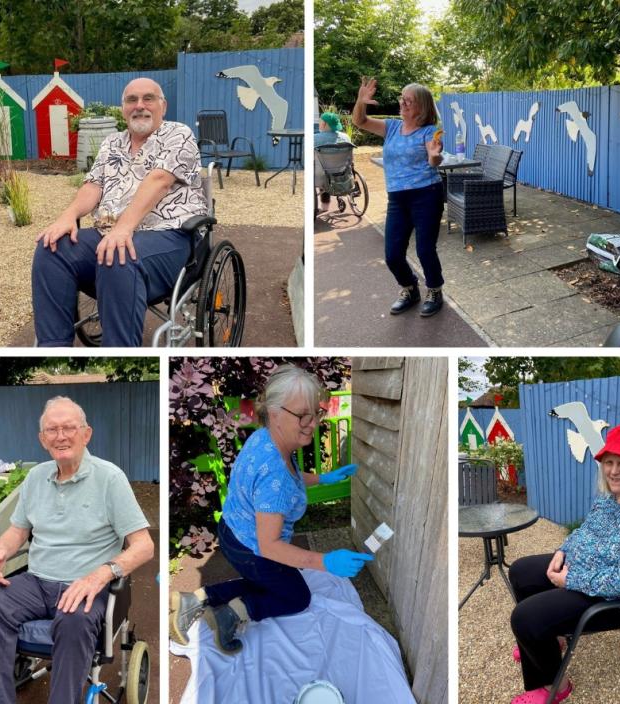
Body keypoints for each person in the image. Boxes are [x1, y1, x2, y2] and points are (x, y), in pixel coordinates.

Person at [170, 364, 372, 654]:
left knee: (275, 582)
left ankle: (198, 598)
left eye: (317, 413)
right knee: (296, 596)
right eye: (303, 415)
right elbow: (269, 547)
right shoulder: (275, 471)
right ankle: (232, 613)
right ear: (275, 412)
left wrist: (322, 478)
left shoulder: (265, 438)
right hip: (251, 547)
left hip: (232, 530)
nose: (313, 422)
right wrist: (325, 561)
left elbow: (286, 480)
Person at [0, 396, 154, 704]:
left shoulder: (110, 478)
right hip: (37, 581)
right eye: (52, 430)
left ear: (86, 434)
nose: (61, 436)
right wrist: (2, 549)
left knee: (74, 620)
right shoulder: (35, 477)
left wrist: (101, 575)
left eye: (69, 427)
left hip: (85, 586)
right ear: (43, 440)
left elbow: (144, 546)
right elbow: (19, 530)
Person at [32, 77, 207, 347]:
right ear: (123, 108)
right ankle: (53, 348)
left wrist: (124, 228)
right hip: (110, 232)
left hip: (171, 235)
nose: (140, 105)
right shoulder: (112, 143)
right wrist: (67, 216)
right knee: (51, 247)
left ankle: (118, 351)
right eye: (131, 100)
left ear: (163, 105)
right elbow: (93, 186)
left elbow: (159, 181)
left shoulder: (178, 134)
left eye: (148, 98)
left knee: (119, 253)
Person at [507, 424, 620, 704]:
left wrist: (569, 580)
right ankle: (549, 641)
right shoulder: (610, 497)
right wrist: (563, 550)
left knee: (525, 618)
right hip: (585, 571)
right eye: (609, 462)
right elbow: (585, 531)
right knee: (521, 571)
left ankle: (554, 685)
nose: (614, 471)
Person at [352, 77, 445, 317]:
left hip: (427, 195)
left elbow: (433, 158)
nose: (402, 103)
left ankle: (434, 290)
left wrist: (435, 156)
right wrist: (361, 101)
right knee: (393, 254)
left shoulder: (428, 131)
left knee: (425, 250)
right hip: (398, 199)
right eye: (401, 98)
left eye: (408, 101)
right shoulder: (392, 127)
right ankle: (410, 288)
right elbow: (359, 121)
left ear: (421, 108)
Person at [315, 111, 354, 211]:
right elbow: (351, 159)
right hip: (343, 174)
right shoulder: (346, 137)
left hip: (322, 177)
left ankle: (324, 207)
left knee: (319, 169)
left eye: (320, 122)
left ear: (324, 124)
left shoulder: (315, 139)